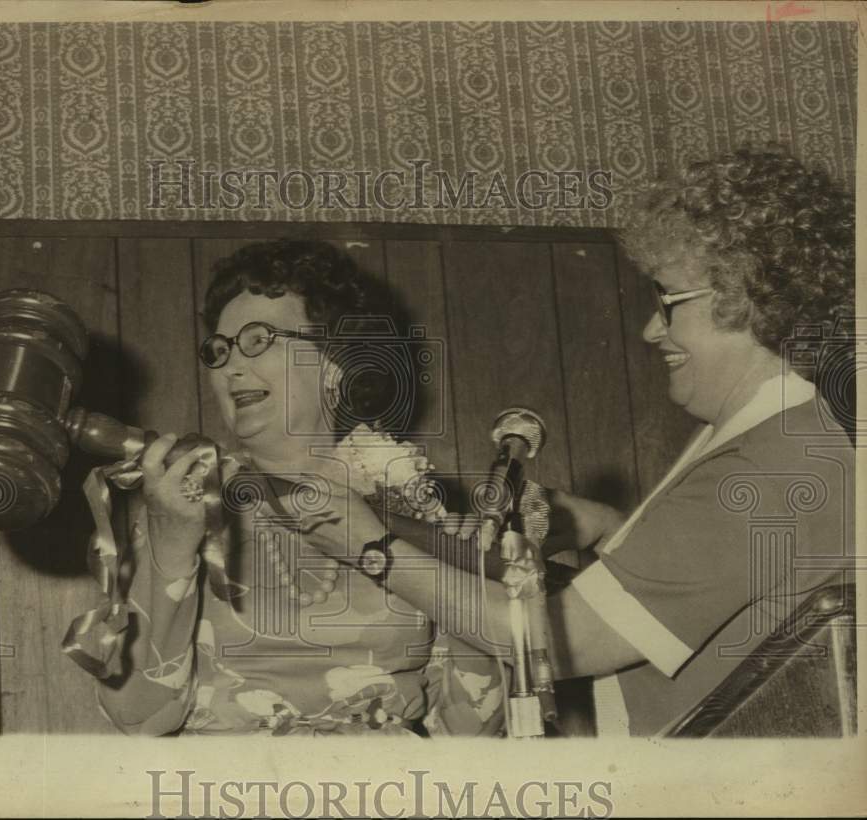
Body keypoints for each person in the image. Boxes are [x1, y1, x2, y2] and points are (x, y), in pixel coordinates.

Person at [282, 147, 856, 736]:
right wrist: (609, 526)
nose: (651, 328)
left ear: (748, 299)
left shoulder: (764, 468)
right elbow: (720, 580)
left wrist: (369, 546)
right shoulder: (788, 434)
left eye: (668, 301)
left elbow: (556, 644)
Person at [93, 239, 504, 736]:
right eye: (219, 351)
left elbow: (471, 726)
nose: (230, 367)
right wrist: (173, 550)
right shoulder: (180, 505)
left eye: (258, 339)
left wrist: (471, 590)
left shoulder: (415, 509)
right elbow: (138, 716)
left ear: (334, 360)